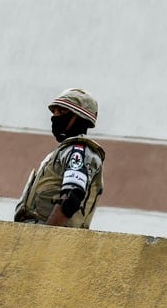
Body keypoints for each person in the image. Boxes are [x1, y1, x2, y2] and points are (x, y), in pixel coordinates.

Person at [14, 88, 105, 228]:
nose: (55, 117)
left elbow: (71, 198)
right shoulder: (62, 152)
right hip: (34, 232)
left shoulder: (78, 151)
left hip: (51, 236)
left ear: (79, 117)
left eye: (62, 112)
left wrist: (46, 236)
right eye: (54, 112)